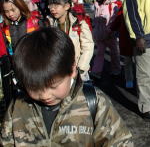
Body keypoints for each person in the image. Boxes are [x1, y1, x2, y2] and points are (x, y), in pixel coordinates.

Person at [0, 27, 133, 146]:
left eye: (53, 86)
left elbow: (120, 141)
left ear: (72, 69)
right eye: (35, 87)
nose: (45, 95)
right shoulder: (17, 106)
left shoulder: (94, 102)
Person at [47, 0, 94, 81]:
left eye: (56, 5)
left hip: (76, 70)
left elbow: (88, 46)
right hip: (57, 70)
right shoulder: (48, 23)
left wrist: (81, 68)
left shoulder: (79, 23)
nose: (52, 9)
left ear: (67, 6)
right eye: (50, 5)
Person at [91, 0, 121, 78]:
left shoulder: (113, 5)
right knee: (101, 52)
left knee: (114, 52)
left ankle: (116, 69)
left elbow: (114, 18)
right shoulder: (97, 4)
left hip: (109, 33)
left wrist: (111, 30)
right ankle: (96, 71)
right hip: (100, 33)